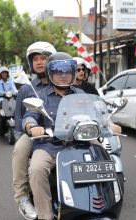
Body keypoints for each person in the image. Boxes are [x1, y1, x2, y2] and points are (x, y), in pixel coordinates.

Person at [22, 52, 84, 220]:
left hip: (79, 144)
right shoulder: (40, 96)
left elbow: (96, 112)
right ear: (51, 73)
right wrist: (32, 126)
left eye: (67, 71)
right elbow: (29, 116)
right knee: (36, 169)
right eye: (58, 72)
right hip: (49, 145)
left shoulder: (80, 94)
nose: (63, 76)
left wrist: (109, 123)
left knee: (106, 158)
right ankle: (45, 215)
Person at [12, 41, 56, 220]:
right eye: (35, 59)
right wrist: (24, 132)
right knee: (20, 150)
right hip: (34, 133)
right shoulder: (27, 89)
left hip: (62, 132)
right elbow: (19, 117)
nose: (39, 62)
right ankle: (22, 197)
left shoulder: (63, 82)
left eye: (43, 58)